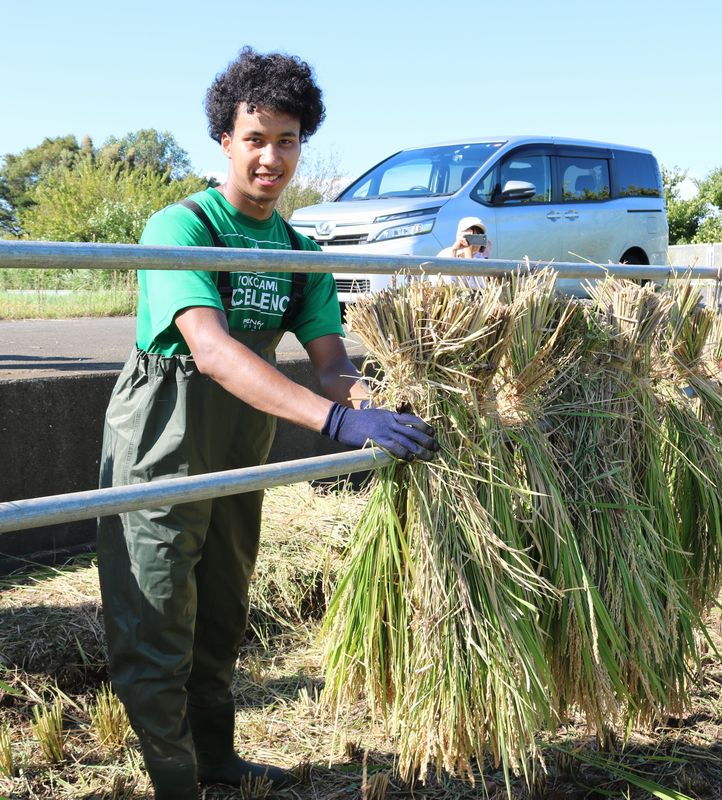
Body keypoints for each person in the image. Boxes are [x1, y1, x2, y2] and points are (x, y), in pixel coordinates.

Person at [96, 47, 438, 800]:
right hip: (164, 435)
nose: (271, 157)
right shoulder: (179, 225)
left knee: (222, 607)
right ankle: (175, 782)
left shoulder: (298, 252)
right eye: (256, 138)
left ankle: (217, 760)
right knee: (155, 617)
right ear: (225, 139)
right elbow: (213, 351)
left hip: (240, 446)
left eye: (287, 141)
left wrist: (373, 406)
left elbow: (330, 365)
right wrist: (331, 424)